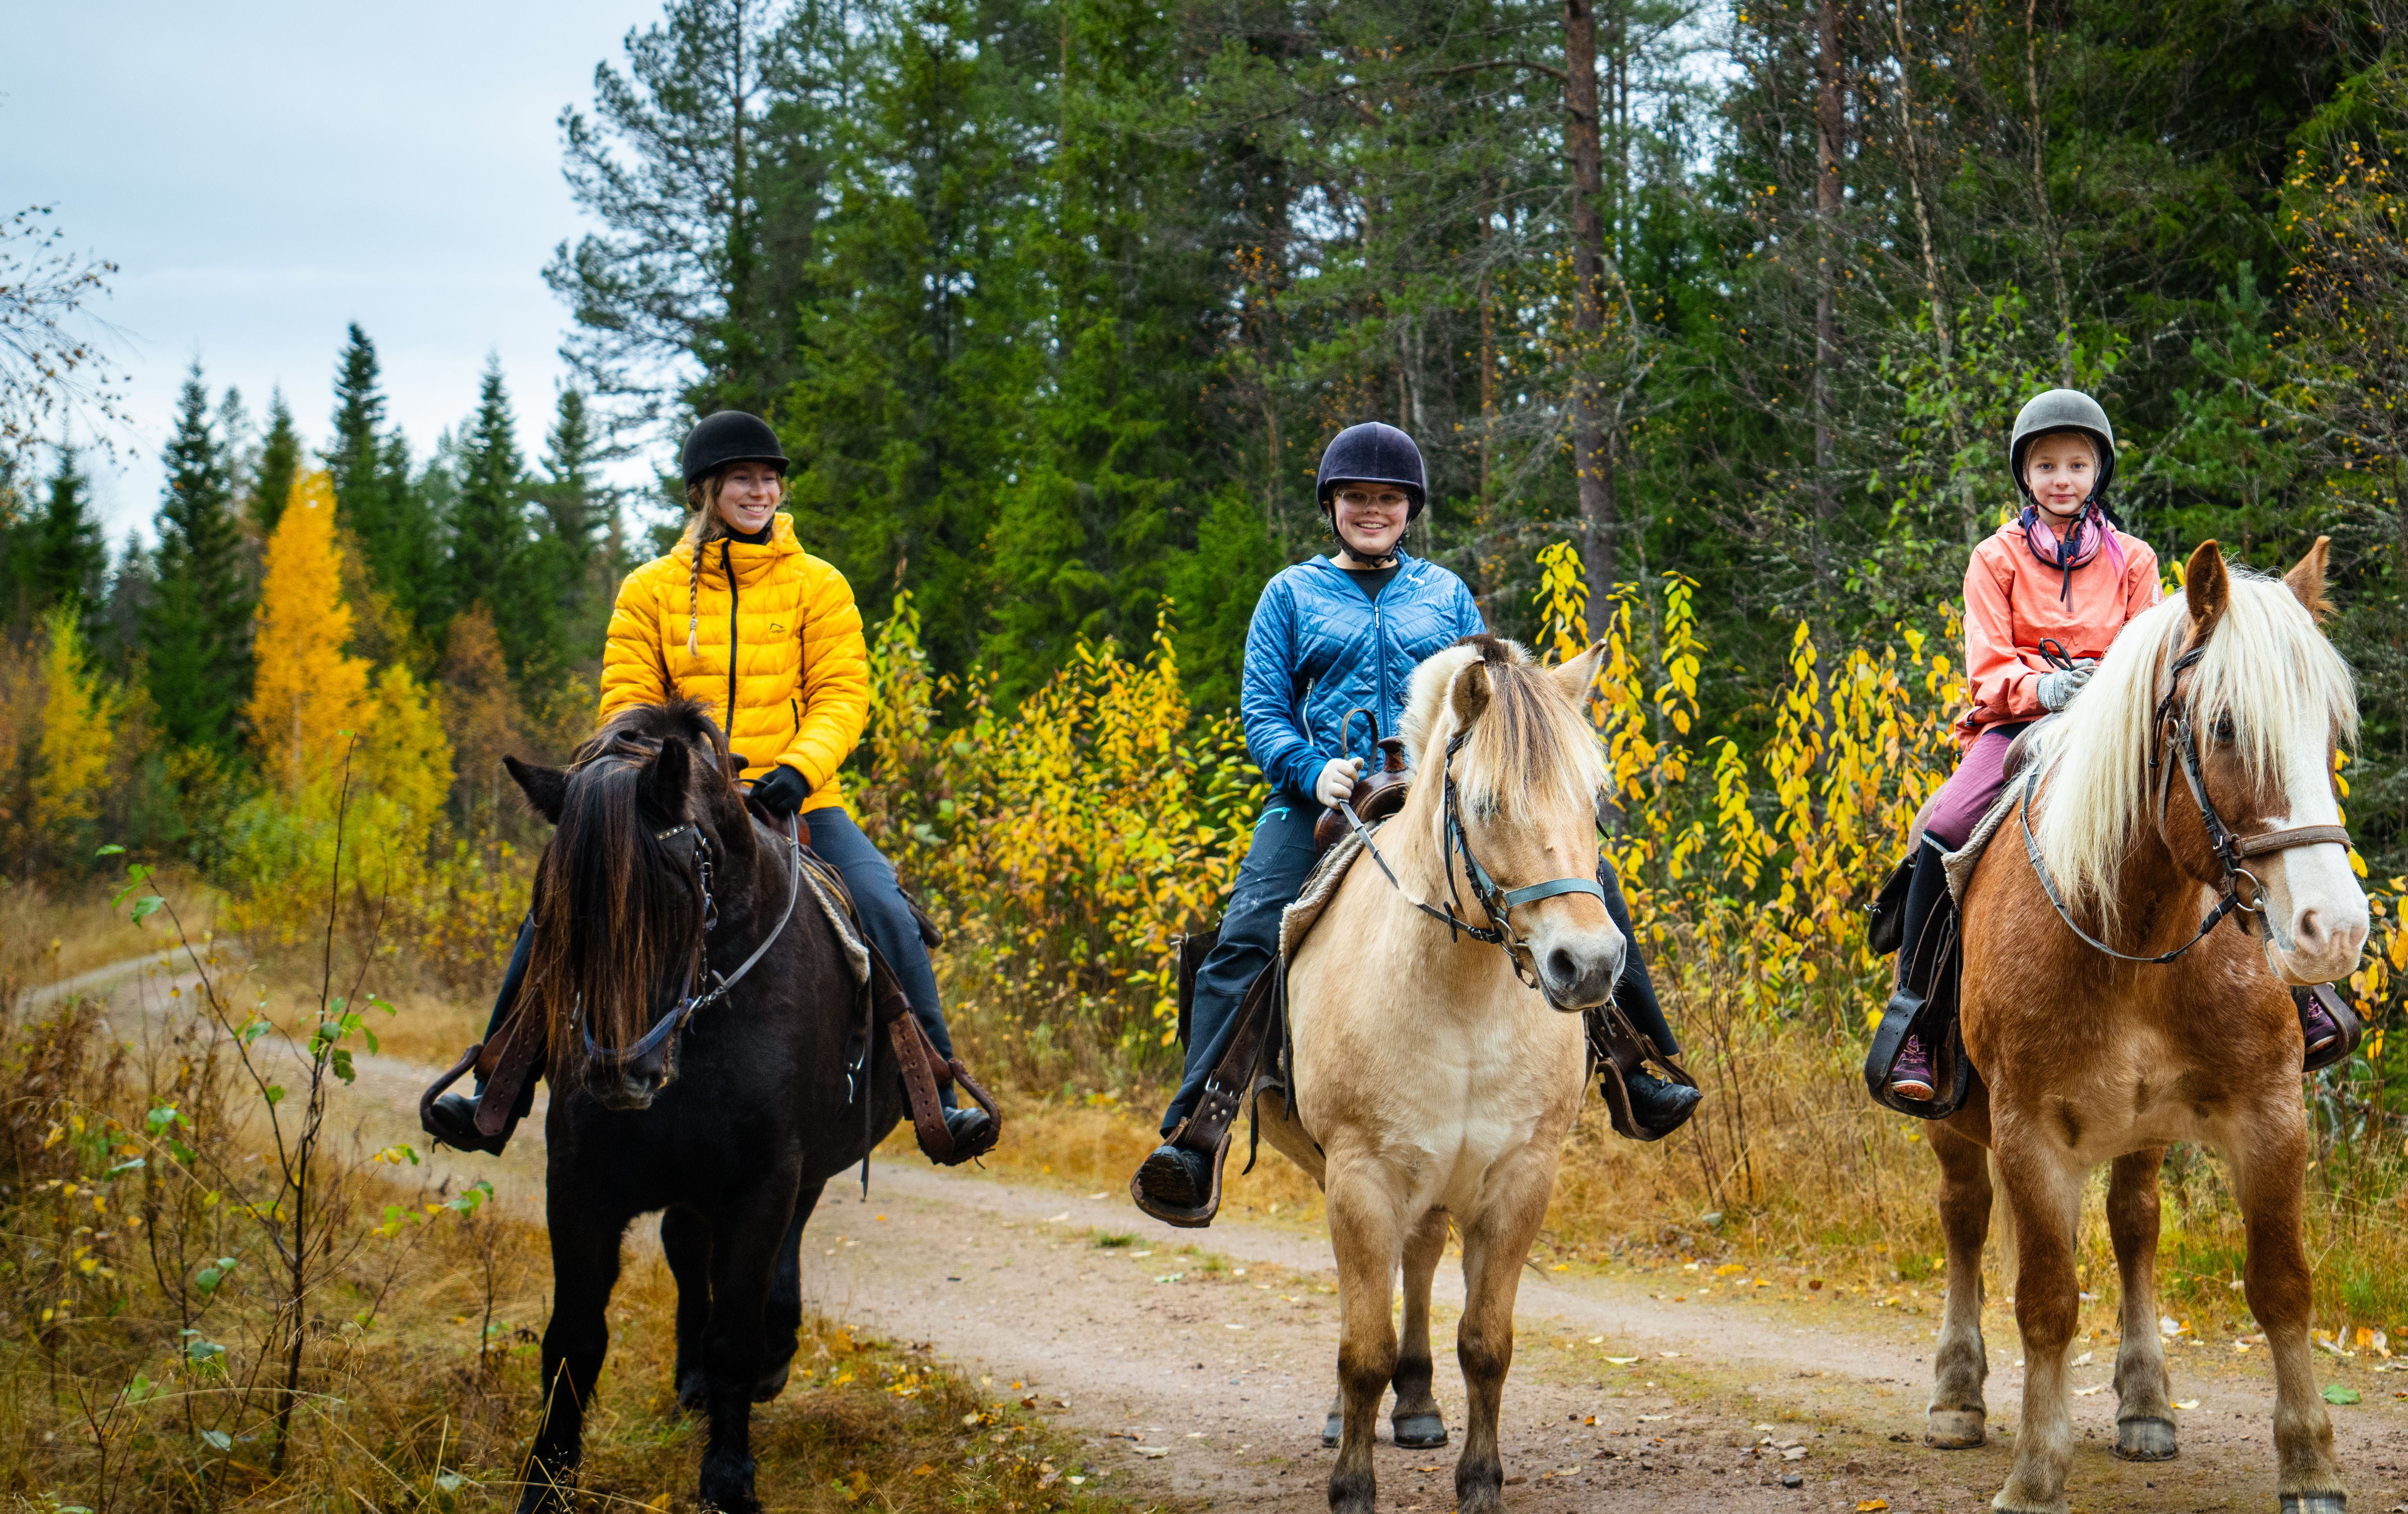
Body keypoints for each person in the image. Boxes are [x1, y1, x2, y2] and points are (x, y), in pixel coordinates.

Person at [1129, 422, 1699, 1226]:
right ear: (1332, 506)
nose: (1373, 510)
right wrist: (1308, 767)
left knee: (1584, 881)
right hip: (1321, 801)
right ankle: (1195, 1132)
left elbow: (1495, 699)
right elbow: (1261, 713)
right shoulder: (1289, 595)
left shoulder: (1446, 593)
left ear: (1409, 509)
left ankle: (1637, 1066)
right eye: (1357, 498)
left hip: (1439, 797)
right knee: (1250, 929)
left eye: (1387, 499)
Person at [421, 410, 996, 1161]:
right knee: (558, 909)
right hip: (670, 805)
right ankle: (498, 1089)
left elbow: (843, 695)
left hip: (799, 802)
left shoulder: (818, 586)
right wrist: (677, 782)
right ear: (705, 491)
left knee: (885, 907)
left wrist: (797, 771)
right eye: (742, 479)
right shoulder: (649, 590)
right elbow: (625, 709)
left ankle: (938, 1099)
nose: (760, 492)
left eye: (770, 478)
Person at [1877, 388, 2339, 1105]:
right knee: (1942, 831)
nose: (2062, 479)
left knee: (2217, 815)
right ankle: (1917, 1018)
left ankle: (2300, 992)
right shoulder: (1993, 558)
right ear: (2024, 476)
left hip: (2113, 734)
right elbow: (1988, 666)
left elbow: (2150, 652)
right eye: (2046, 466)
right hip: (2014, 728)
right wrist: (2044, 690)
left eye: (2077, 465)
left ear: (2099, 474)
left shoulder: (2134, 559)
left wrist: (2101, 694)